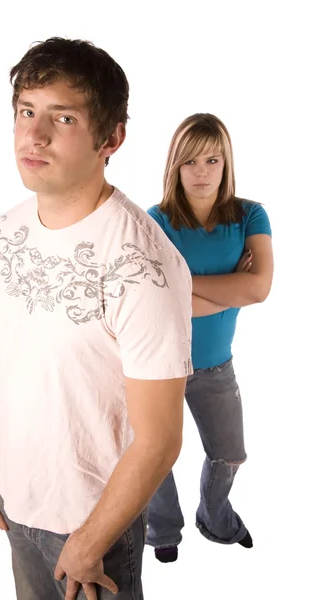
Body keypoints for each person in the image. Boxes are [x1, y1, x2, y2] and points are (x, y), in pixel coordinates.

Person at [0, 37, 193, 599]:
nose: (33, 136)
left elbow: (160, 439)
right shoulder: (1, 233)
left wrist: (88, 541)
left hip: (94, 529)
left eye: (62, 118)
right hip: (18, 507)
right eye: (26, 113)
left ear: (111, 139)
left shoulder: (142, 263)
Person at [146, 113, 273, 563]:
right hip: (158, 364)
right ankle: (162, 529)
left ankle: (215, 519)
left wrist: (187, 287)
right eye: (190, 162)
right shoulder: (155, 221)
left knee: (230, 454)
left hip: (217, 364)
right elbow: (157, 306)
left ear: (226, 163)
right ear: (175, 167)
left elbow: (259, 288)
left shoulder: (250, 215)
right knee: (155, 456)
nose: (201, 172)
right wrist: (230, 291)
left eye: (212, 160)